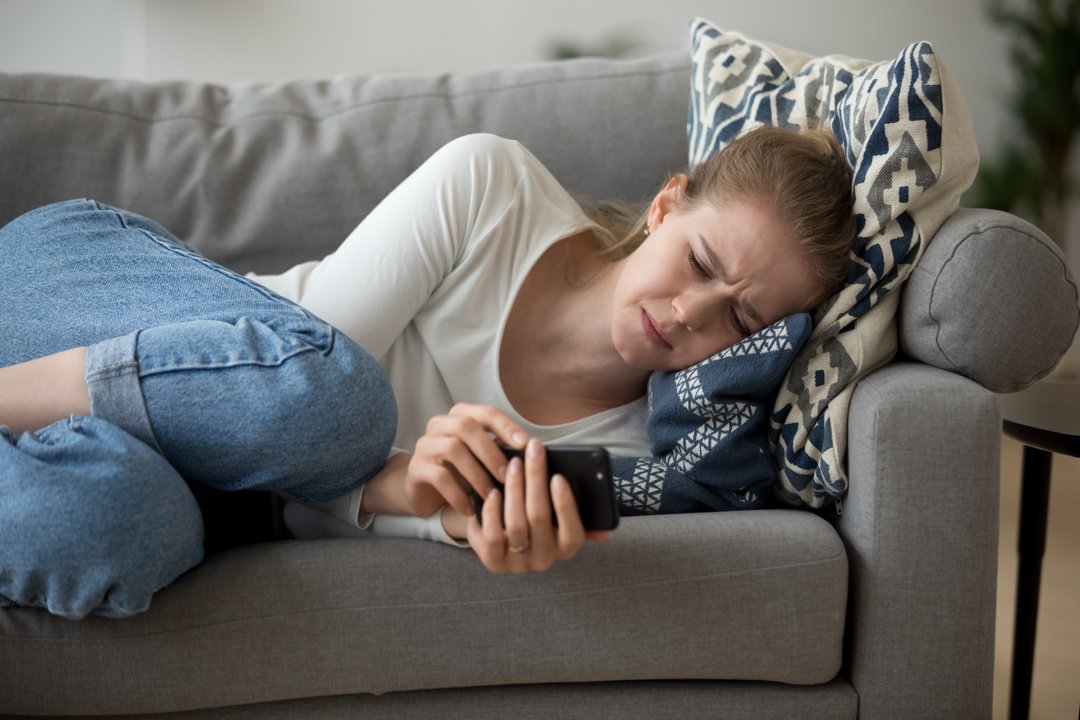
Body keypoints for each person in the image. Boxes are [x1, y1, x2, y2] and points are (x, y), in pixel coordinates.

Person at [0, 127, 854, 620]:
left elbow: (281, 498)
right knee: (346, 400)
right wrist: (405, 477)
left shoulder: (628, 458)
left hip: (190, 493)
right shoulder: (494, 189)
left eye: (743, 321)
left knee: (112, 528)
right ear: (666, 205)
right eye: (701, 260)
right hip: (92, 301)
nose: (695, 313)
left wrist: (450, 522)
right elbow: (290, 381)